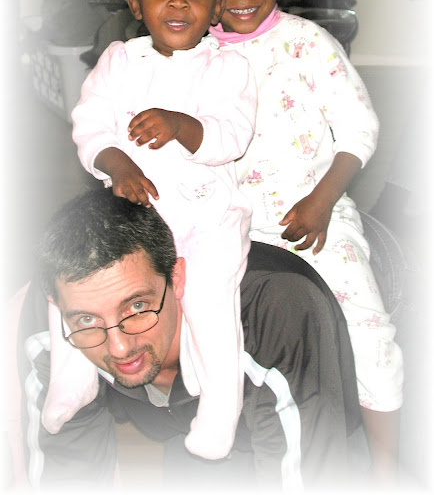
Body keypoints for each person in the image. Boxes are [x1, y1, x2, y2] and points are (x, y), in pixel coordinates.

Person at [209, 0, 404, 482]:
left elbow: (359, 128)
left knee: (368, 330)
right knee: (217, 329)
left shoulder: (308, 43)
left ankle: (387, 468)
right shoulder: (194, 53)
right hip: (226, 223)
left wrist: (322, 203)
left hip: (315, 215)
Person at [68, 0, 257, 461]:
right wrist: (116, 162)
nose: (178, 1)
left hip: (208, 220)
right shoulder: (119, 61)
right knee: (80, 272)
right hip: (138, 219)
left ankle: (220, 407)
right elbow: (89, 125)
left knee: (210, 304)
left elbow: (232, 135)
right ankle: (74, 377)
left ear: (217, 5)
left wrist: (182, 125)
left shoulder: (229, 68)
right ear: (135, 1)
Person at [17, 187, 362, 490]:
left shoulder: (272, 313)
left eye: (137, 306)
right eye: (88, 320)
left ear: (177, 277)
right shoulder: (60, 319)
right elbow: (68, 472)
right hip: (191, 432)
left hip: (320, 417)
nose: (119, 348)